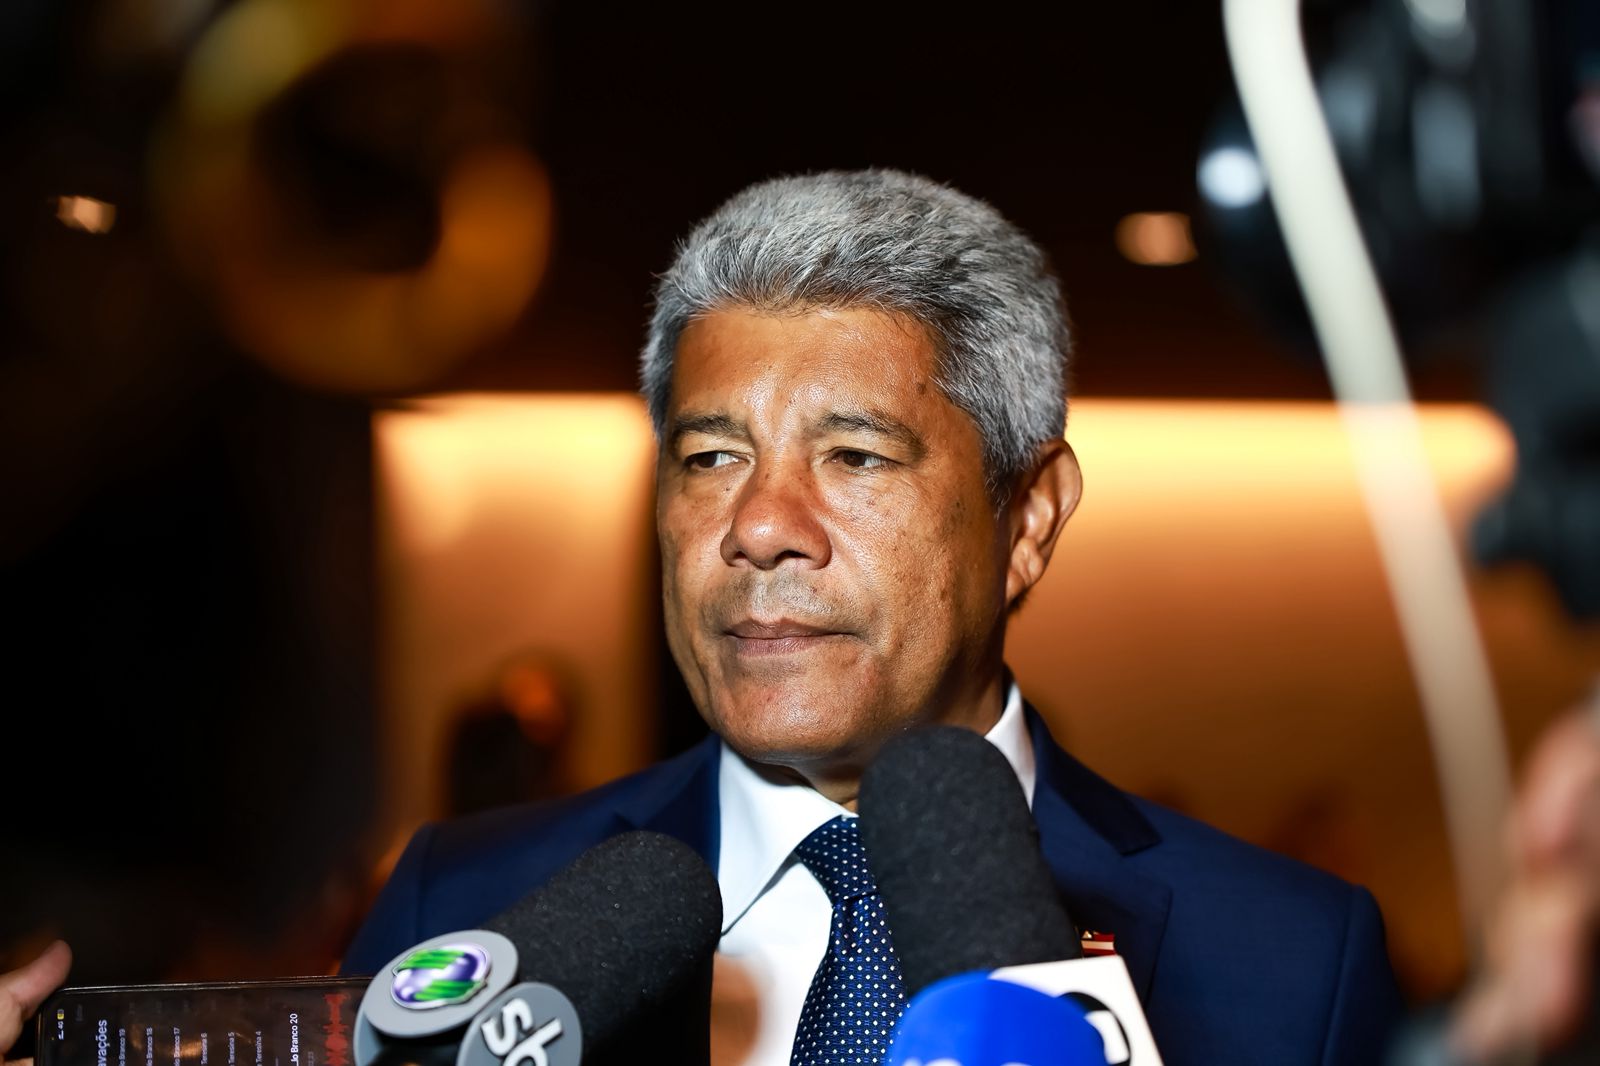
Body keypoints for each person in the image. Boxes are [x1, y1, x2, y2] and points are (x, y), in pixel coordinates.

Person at [340, 170, 1401, 1064]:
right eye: (711, 457)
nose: (759, 526)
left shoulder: (1288, 959)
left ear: (1029, 518)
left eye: (854, 456)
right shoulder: (460, 910)